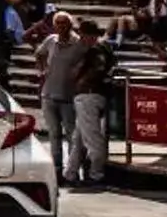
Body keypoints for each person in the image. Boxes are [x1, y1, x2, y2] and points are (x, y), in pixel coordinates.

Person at [36, 16, 85, 182]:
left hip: (68, 97)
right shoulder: (51, 41)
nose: (61, 26)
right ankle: (57, 170)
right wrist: (42, 70)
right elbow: (39, 53)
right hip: (49, 94)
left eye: (64, 23)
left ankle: (72, 170)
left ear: (70, 25)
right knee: (54, 135)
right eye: (58, 23)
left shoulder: (78, 43)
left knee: (72, 135)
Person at [74, 19, 117, 187]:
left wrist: (82, 82)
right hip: (92, 95)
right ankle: (70, 173)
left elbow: (98, 69)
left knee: (92, 137)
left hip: (90, 95)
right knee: (78, 137)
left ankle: (96, 174)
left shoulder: (96, 49)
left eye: (82, 35)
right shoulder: (106, 47)